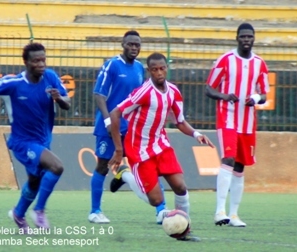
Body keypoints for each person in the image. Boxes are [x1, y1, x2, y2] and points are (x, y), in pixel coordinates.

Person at [0, 42, 71, 234]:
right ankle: (39, 210)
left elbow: (67, 103)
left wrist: (59, 98)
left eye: (43, 60)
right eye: (36, 61)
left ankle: (18, 213)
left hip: (43, 140)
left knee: (35, 181)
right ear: (26, 63)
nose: (41, 64)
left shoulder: (50, 77)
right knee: (57, 166)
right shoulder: (14, 84)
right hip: (22, 142)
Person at [109, 52, 214, 242]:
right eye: (155, 69)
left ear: (167, 68)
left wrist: (197, 134)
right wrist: (118, 150)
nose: (159, 72)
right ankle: (124, 174)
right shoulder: (143, 92)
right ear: (149, 71)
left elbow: (179, 121)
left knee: (181, 187)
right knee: (156, 201)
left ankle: (185, 229)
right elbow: (115, 113)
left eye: (162, 68)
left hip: (161, 145)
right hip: (139, 150)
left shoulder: (174, 91)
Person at [90, 30, 167, 224]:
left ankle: (161, 210)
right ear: (123, 45)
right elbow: (99, 95)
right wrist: (108, 120)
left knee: (147, 164)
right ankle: (95, 211)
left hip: (132, 127)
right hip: (109, 125)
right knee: (102, 165)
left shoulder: (140, 68)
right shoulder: (112, 65)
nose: (134, 48)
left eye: (137, 45)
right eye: (130, 44)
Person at [205, 23, 269, 227]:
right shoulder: (225, 60)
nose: (246, 40)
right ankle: (219, 212)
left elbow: (264, 93)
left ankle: (234, 215)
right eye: (243, 36)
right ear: (237, 38)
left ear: (254, 39)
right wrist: (224, 96)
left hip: (248, 123)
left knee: (240, 166)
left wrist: (256, 97)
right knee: (229, 159)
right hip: (228, 119)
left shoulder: (260, 63)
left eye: (250, 36)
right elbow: (208, 88)